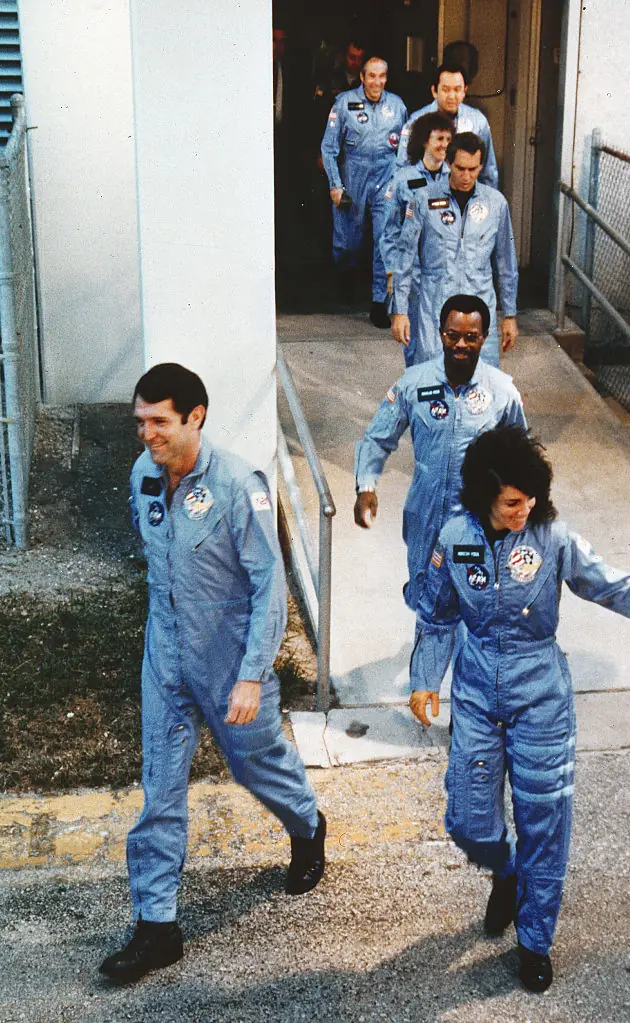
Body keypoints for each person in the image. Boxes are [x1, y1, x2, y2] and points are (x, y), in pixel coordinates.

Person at [409, 424, 630, 993]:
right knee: (468, 819)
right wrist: (424, 678)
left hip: (541, 696)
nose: (526, 509)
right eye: (515, 501)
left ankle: (535, 940)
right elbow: (437, 612)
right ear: (485, 494)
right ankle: (504, 874)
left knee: (544, 823)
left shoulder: (553, 537)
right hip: (473, 694)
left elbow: (612, 585)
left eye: (533, 497)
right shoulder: (452, 538)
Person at [100, 364, 326, 984]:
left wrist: (253, 674)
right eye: (140, 421)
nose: (147, 434)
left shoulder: (236, 485)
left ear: (195, 417)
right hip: (166, 658)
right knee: (161, 788)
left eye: (159, 422)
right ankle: (157, 927)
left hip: (229, 662)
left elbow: (268, 586)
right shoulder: (144, 476)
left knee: (256, 764)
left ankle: (307, 825)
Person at [354, 295, 526, 611]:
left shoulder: (502, 393)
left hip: (475, 522)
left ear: (483, 339)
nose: (461, 344)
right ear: (440, 333)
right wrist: (366, 487)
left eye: (471, 337)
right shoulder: (413, 384)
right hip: (424, 516)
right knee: (425, 602)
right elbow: (377, 438)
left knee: (474, 607)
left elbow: (522, 461)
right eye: (453, 335)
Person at [390, 132, 519, 368]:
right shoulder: (423, 200)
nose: (467, 176)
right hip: (435, 306)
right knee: (430, 378)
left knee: (481, 382)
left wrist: (510, 315)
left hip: (479, 308)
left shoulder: (496, 204)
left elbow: (506, 262)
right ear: (449, 163)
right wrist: (400, 311)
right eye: (460, 168)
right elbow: (405, 257)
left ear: (481, 166)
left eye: (473, 169)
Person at [321, 56, 407, 327]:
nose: (377, 82)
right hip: (353, 175)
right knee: (347, 242)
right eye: (372, 76)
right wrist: (335, 185)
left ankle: (379, 302)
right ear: (362, 76)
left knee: (385, 238)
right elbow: (329, 148)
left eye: (382, 76)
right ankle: (346, 272)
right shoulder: (344, 104)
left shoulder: (397, 106)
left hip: (385, 176)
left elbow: (406, 149)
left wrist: (402, 183)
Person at [379, 111, 454, 366]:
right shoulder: (403, 179)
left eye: (448, 139)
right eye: (439, 138)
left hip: (445, 276)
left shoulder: (454, 178)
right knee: (414, 351)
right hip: (412, 278)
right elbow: (389, 232)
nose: (444, 144)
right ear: (425, 141)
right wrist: (392, 272)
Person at [396, 64, 498, 188]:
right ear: (434, 91)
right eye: (446, 89)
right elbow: (402, 166)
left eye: (457, 89)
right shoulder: (416, 121)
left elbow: (488, 172)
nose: (451, 96)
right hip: (425, 195)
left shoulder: (478, 122)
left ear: (464, 91)